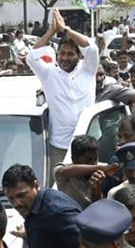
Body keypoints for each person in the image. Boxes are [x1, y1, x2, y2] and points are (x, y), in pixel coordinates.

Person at [27, 10, 99, 168]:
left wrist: (66, 29)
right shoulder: (49, 74)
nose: (65, 58)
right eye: (62, 53)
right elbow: (31, 57)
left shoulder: (88, 70)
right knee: (59, 181)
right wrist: (52, 31)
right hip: (60, 145)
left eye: (70, 54)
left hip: (88, 142)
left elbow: (92, 49)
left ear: (80, 56)